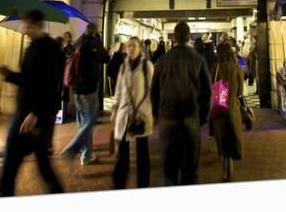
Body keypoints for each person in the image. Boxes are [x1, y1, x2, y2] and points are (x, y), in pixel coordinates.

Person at [0, 10, 64, 196]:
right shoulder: (32, 47)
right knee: (42, 166)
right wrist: (9, 74)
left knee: (11, 164)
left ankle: (4, 194)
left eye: (27, 26)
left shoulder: (51, 50)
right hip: (27, 114)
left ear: (36, 25)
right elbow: (29, 80)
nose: (24, 30)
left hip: (33, 117)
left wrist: (36, 112)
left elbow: (51, 86)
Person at [151, 21, 212, 186]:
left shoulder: (162, 60)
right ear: (188, 37)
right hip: (191, 119)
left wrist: (157, 115)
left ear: (174, 38)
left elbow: (154, 92)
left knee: (169, 170)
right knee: (190, 171)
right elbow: (207, 93)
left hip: (167, 120)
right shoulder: (198, 60)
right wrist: (203, 117)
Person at [60, 22, 110, 165]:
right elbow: (106, 58)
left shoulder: (78, 42)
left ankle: (86, 156)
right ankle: (73, 148)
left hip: (76, 90)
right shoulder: (94, 42)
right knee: (90, 121)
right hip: (89, 89)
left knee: (83, 123)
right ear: (94, 32)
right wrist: (99, 47)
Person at [111, 37, 154, 189]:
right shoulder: (123, 67)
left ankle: (143, 184)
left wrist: (145, 111)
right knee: (122, 152)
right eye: (129, 46)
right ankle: (119, 184)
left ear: (140, 49)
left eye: (134, 46)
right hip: (125, 113)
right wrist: (115, 108)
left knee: (142, 151)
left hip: (141, 114)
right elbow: (119, 89)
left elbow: (152, 91)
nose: (131, 48)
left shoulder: (146, 66)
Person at [211, 42, 245, 182]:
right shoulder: (237, 68)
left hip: (219, 107)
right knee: (232, 140)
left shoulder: (216, 67)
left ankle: (224, 173)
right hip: (232, 108)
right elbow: (240, 92)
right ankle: (229, 174)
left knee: (222, 141)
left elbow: (212, 87)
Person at [61, 31, 74, 122]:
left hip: (66, 72)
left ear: (69, 38)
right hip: (60, 72)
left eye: (67, 36)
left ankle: (64, 113)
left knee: (65, 93)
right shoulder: (61, 46)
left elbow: (71, 58)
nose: (65, 38)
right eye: (64, 36)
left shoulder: (71, 48)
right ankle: (61, 112)